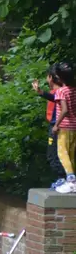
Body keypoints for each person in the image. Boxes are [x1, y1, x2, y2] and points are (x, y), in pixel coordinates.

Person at [32, 63, 67, 189]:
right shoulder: (65, 91)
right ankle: (65, 179)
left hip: (57, 127)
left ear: (51, 78)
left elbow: (55, 99)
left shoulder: (60, 93)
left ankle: (63, 179)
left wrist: (40, 92)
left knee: (54, 154)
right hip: (62, 127)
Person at [52, 62, 76, 193]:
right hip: (75, 127)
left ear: (60, 78)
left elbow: (65, 110)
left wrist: (56, 125)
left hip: (65, 127)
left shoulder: (61, 91)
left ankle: (71, 181)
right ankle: (72, 181)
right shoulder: (74, 90)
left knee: (62, 153)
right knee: (71, 153)